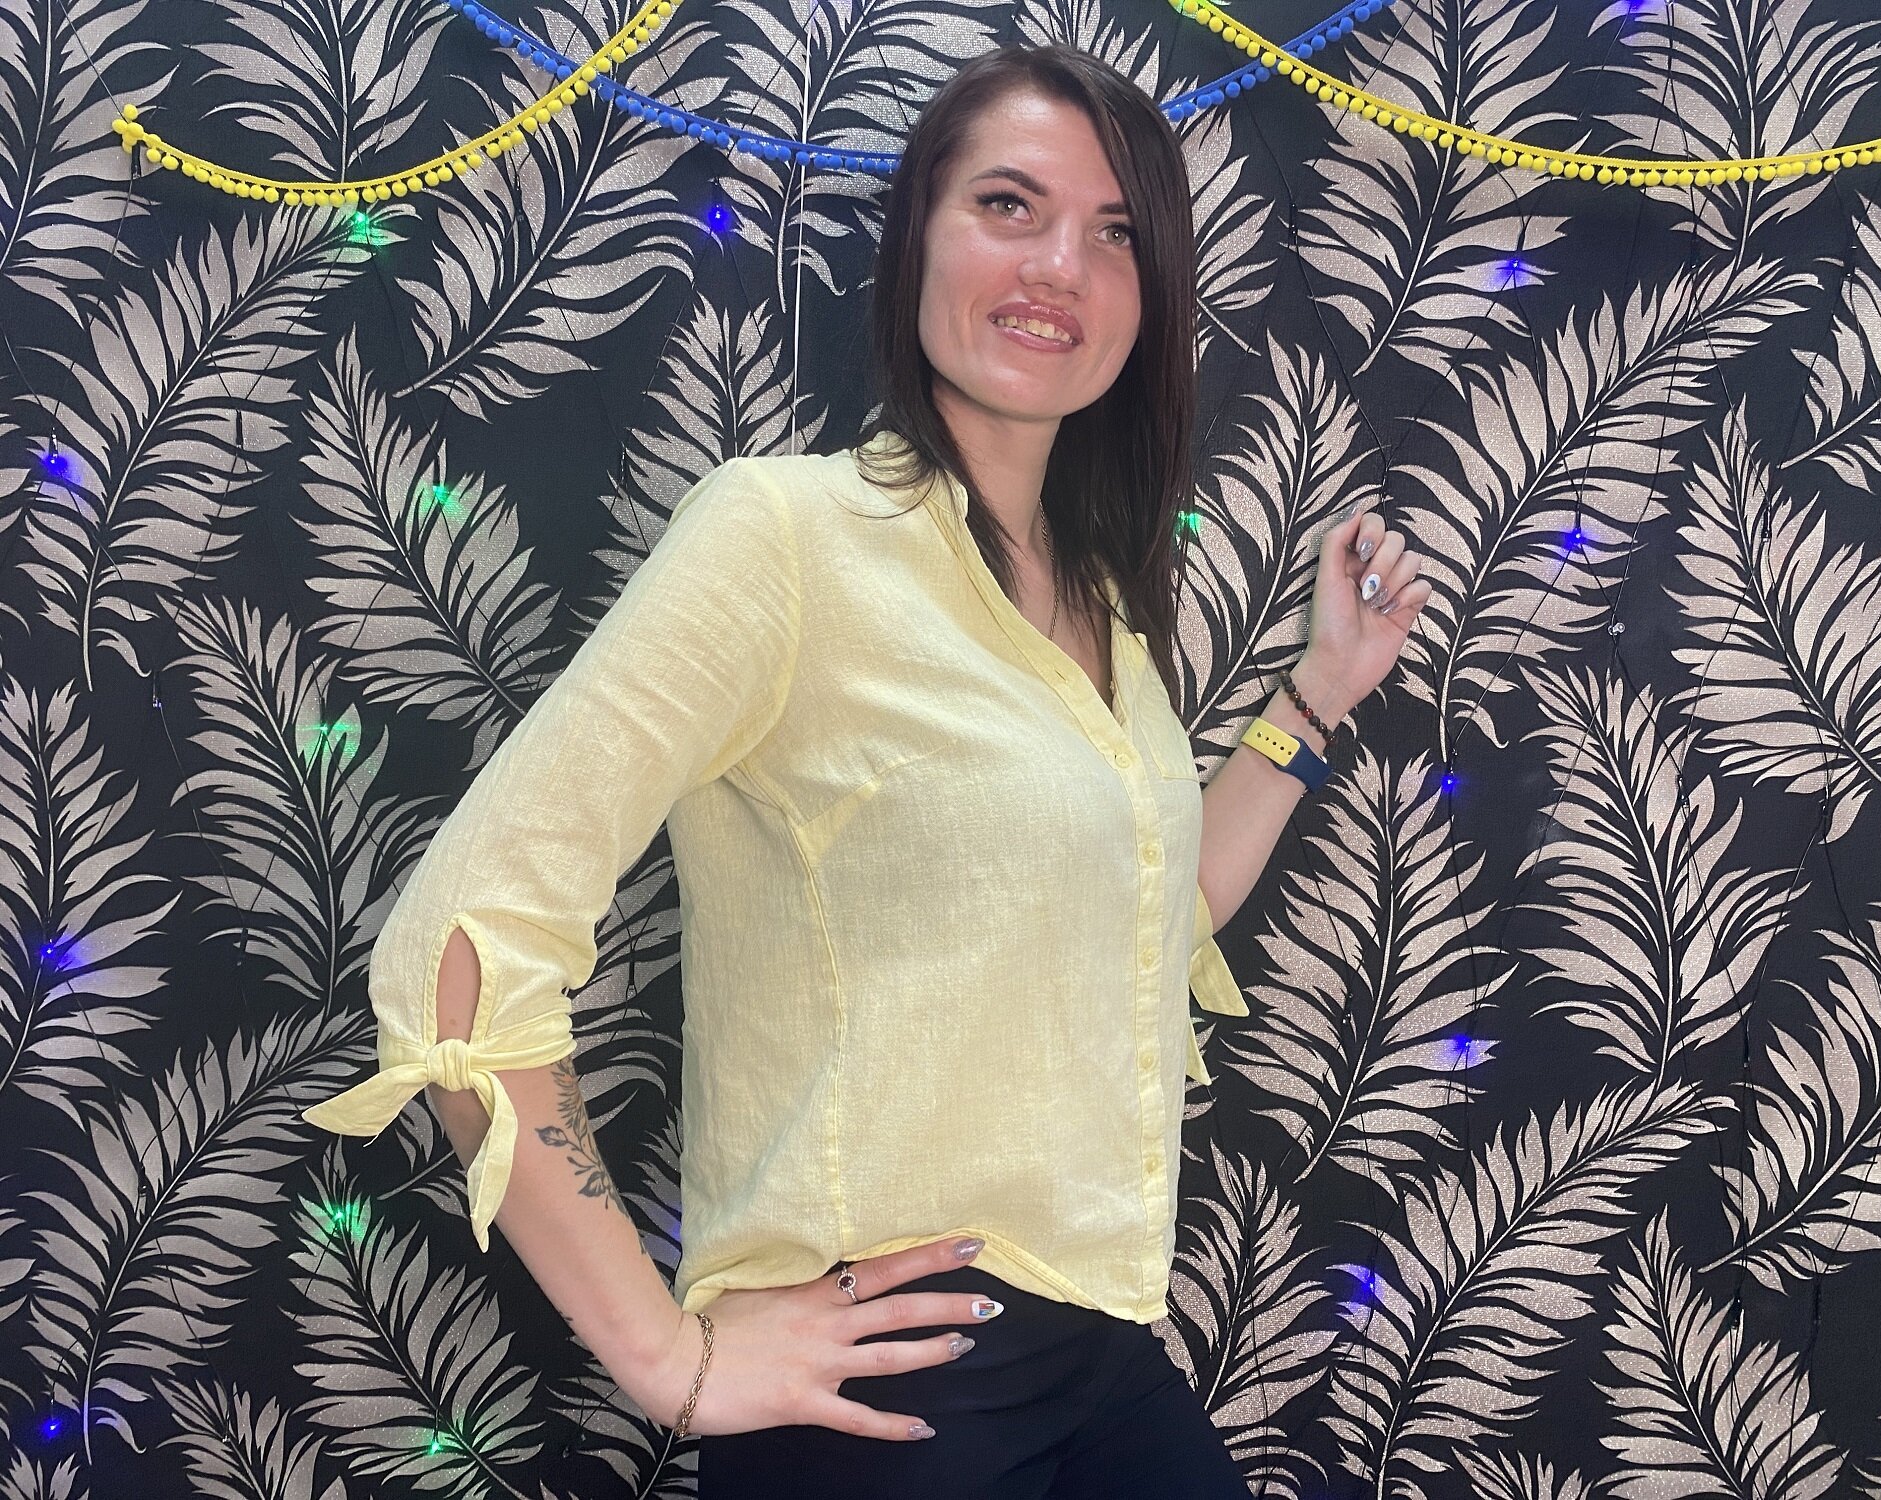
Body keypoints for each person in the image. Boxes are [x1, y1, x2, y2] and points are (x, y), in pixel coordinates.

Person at [302, 40, 1432, 1500]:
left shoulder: (1103, 604)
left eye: (1115, 234)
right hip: (886, 1404)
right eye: (1010, 205)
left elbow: (1157, 916)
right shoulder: (783, 538)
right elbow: (463, 944)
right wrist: (670, 1361)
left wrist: (1317, 698)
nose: (1061, 267)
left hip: (1103, 1353)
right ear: (917, 240)